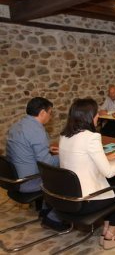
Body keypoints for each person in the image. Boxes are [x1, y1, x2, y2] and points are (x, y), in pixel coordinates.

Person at [59, 98, 115, 249]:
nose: (98, 116)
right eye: (96, 113)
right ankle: (110, 236)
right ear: (89, 117)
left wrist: (105, 157)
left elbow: (80, 157)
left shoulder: (65, 136)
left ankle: (106, 230)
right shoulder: (92, 137)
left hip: (68, 197)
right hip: (86, 200)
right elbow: (108, 171)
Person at [6, 97, 67, 231]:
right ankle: (53, 218)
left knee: (51, 175)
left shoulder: (16, 126)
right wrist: (65, 155)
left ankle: (45, 210)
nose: (50, 117)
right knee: (66, 180)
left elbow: (25, 149)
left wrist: (47, 149)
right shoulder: (37, 130)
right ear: (43, 113)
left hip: (12, 180)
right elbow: (47, 164)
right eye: (50, 113)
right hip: (27, 182)